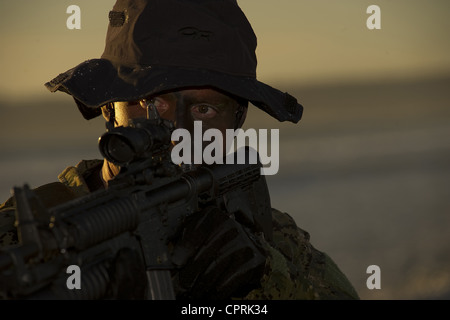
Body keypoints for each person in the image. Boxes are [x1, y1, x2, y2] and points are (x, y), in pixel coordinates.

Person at [0, 0, 359, 300]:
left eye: (205, 109)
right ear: (109, 108)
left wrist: (266, 284)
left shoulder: (265, 240)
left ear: (236, 120)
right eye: (150, 104)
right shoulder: (18, 234)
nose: (177, 133)